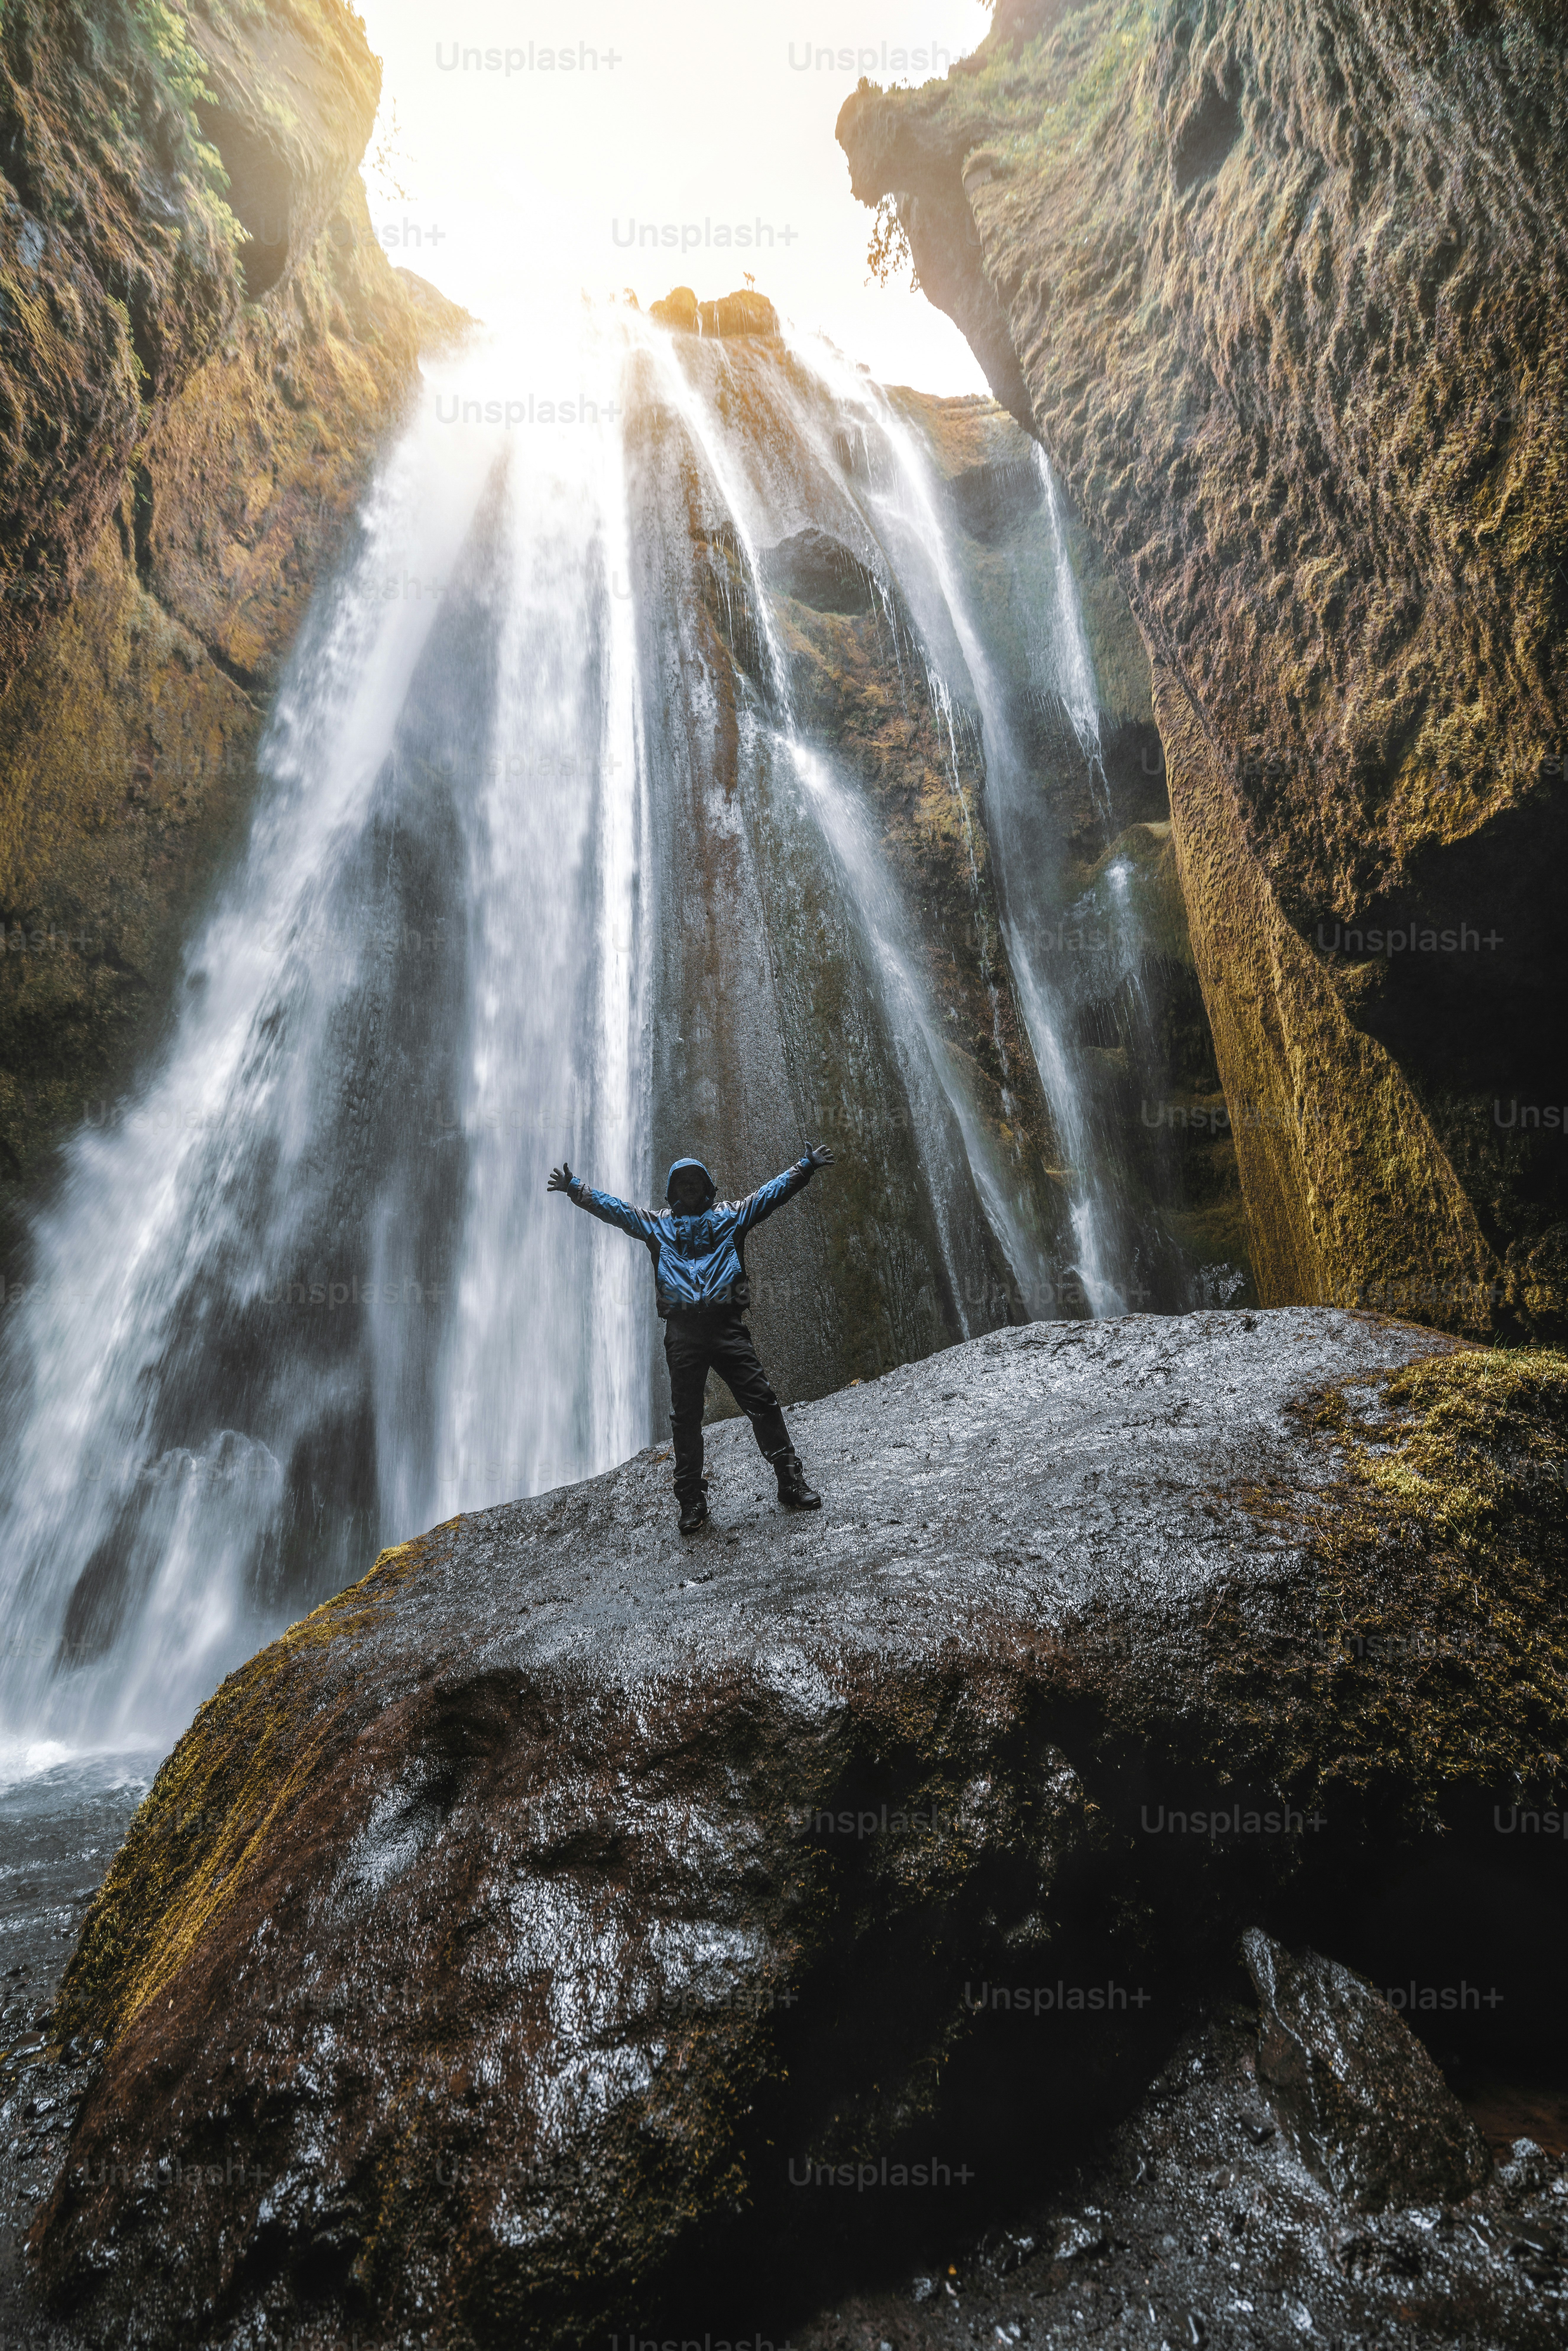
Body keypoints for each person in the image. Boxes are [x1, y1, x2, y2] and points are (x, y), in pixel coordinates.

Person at [548, 1145, 835, 1533]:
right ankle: (692, 1502)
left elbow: (770, 1194)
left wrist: (805, 1167)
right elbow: (617, 1210)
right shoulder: (657, 1226)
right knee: (686, 1420)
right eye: (682, 1183)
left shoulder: (731, 1218)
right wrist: (576, 1189)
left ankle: (790, 1480)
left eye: (695, 1182)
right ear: (673, 1192)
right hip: (683, 1332)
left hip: (725, 1325)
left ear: (707, 1188)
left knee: (762, 1401)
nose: (689, 1187)